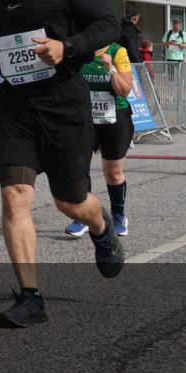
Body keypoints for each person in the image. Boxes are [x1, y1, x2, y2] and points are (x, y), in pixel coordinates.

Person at [0, 0, 124, 328]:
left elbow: (110, 25)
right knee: (14, 195)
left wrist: (67, 46)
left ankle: (100, 225)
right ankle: (31, 296)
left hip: (62, 104)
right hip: (15, 105)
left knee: (70, 202)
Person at [66, 43, 134, 238]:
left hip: (115, 117)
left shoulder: (118, 51)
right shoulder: (79, 50)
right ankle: (82, 217)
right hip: (85, 118)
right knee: (79, 168)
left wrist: (111, 69)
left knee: (113, 173)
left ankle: (119, 216)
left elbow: (125, 90)